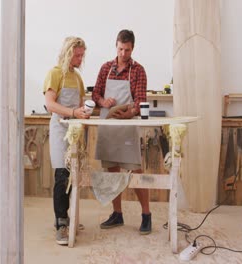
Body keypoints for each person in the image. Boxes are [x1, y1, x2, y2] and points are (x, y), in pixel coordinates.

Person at [92, 29, 151, 235]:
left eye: (127, 50)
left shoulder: (138, 71)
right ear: (115, 45)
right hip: (108, 126)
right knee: (112, 172)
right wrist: (102, 101)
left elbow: (141, 100)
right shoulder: (106, 68)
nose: (123, 53)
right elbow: (96, 93)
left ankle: (146, 215)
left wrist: (131, 113)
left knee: (135, 171)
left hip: (126, 127)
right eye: (120, 49)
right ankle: (117, 214)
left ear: (132, 48)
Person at [43, 36, 90, 245]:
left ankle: (69, 218)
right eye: (77, 55)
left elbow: (80, 104)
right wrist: (72, 112)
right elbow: (50, 105)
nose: (80, 58)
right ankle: (61, 224)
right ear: (68, 53)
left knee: (73, 176)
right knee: (62, 175)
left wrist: (84, 112)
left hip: (75, 130)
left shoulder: (78, 78)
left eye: (82, 55)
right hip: (60, 129)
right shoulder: (55, 74)